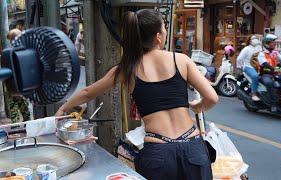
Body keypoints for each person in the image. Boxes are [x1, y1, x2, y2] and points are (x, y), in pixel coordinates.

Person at [55, 9, 218, 180]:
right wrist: (198, 107)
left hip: (158, 152)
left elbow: (88, 92)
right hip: (192, 148)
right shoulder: (181, 60)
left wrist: (63, 109)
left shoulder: (128, 68)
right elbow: (212, 98)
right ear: (158, 36)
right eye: (164, 28)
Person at [5, 29, 31, 123]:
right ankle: (22, 130)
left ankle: (19, 130)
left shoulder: (12, 52)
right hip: (16, 88)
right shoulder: (22, 51)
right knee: (22, 113)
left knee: (21, 113)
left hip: (17, 88)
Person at [257, 34, 281, 112]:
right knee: (269, 83)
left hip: (276, 73)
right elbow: (264, 64)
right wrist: (274, 69)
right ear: (267, 43)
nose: (274, 43)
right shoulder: (261, 54)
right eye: (272, 42)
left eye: (274, 42)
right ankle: (272, 104)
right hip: (265, 74)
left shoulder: (275, 53)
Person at [236, 35, 261, 101]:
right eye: (253, 39)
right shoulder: (246, 49)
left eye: (256, 38)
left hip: (259, 67)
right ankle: (254, 94)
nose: (255, 40)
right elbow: (239, 59)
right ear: (250, 41)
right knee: (255, 76)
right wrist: (240, 66)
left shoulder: (259, 48)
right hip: (248, 67)